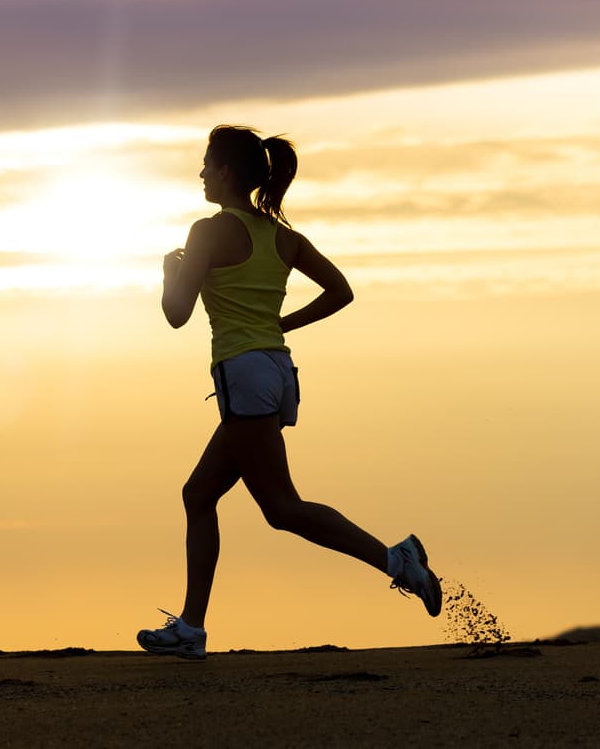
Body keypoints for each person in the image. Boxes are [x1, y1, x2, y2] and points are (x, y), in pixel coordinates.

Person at [137, 125, 441, 661]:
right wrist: (280, 325)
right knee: (199, 495)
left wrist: (170, 273)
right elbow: (340, 291)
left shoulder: (207, 231)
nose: (202, 172)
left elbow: (176, 315)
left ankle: (398, 560)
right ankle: (190, 627)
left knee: (282, 507)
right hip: (277, 372)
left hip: (245, 375)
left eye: (208, 163)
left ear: (227, 171)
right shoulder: (281, 237)